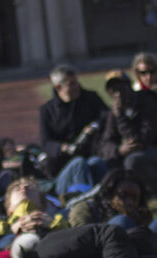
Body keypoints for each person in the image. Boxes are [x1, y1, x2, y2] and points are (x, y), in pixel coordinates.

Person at [98, 70, 157, 198]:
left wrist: (121, 118)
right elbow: (105, 143)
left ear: (129, 87)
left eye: (121, 87)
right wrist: (118, 150)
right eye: (112, 90)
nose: (117, 93)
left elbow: (140, 141)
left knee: (133, 161)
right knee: (104, 163)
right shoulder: (113, 112)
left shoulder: (147, 103)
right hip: (135, 154)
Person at [39, 64, 109, 197]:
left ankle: (109, 196)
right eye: (71, 84)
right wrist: (64, 147)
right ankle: (86, 199)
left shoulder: (90, 98)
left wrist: (94, 126)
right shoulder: (47, 111)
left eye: (76, 82)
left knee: (97, 162)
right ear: (58, 87)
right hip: (62, 168)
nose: (76, 87)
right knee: (79, 164)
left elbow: (106, 115)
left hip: (89, 155)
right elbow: (45, 143)